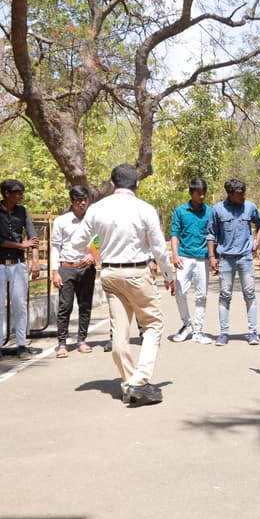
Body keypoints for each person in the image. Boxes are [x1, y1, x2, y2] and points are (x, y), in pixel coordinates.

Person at [71, 164, 174, 407]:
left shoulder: (97, 209)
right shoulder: (144, 209)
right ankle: (140, 380)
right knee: (153, 324)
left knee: (119, 329)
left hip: (109, 273)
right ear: (137, 184)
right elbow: (159, 248)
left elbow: (77, 243)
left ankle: (129, 383)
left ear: (112, 183)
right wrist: (169, 275)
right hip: (137, 272)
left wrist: (99, 248)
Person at [0, 179, 40, 362]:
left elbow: (33, 238)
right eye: (17, 193)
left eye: (22, 192)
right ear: (7, 193)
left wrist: (36, 261)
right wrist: (20, 245)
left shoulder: (22, 211)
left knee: (19, 305)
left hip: (18, 264)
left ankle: (21, 346)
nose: (21, 196)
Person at [208, 178, 260, 346]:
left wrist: (256, 241)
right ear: (230, 195)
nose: (243, 197)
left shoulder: (250, 207)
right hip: (226, 259)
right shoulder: (218, 209)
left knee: (250, 294)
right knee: (225, 295)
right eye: (239, 195)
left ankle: (253, 332)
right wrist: (212, 257)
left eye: (244, 193)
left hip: (245, 257)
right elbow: (211, 234)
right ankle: (224, 333)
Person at [49, 186, 97, 358]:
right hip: (67, 268)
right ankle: (62, 343)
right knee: (65, 306)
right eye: (78, 200)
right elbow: (55, 246)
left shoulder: (93, 220)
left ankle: (82, 340)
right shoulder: (61, 221)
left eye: (85, 200)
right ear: (72, 201)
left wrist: (93, 255)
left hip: (87, 268)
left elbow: (99, 239)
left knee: (85, 306)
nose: (82, 203)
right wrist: (55, 271)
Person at [169, 178, 214, 345]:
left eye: (204, 193)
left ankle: (198, 331)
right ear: (191, 193)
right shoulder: (180, 211)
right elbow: (174, 234)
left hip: (203, 258)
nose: (202, 196)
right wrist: (174, 254)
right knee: (180, 292)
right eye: (198, 193)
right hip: (184, 257)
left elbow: (213, 235)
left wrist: (213, 257)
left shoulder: (210, 212)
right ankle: (187, 324)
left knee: (201, 295)